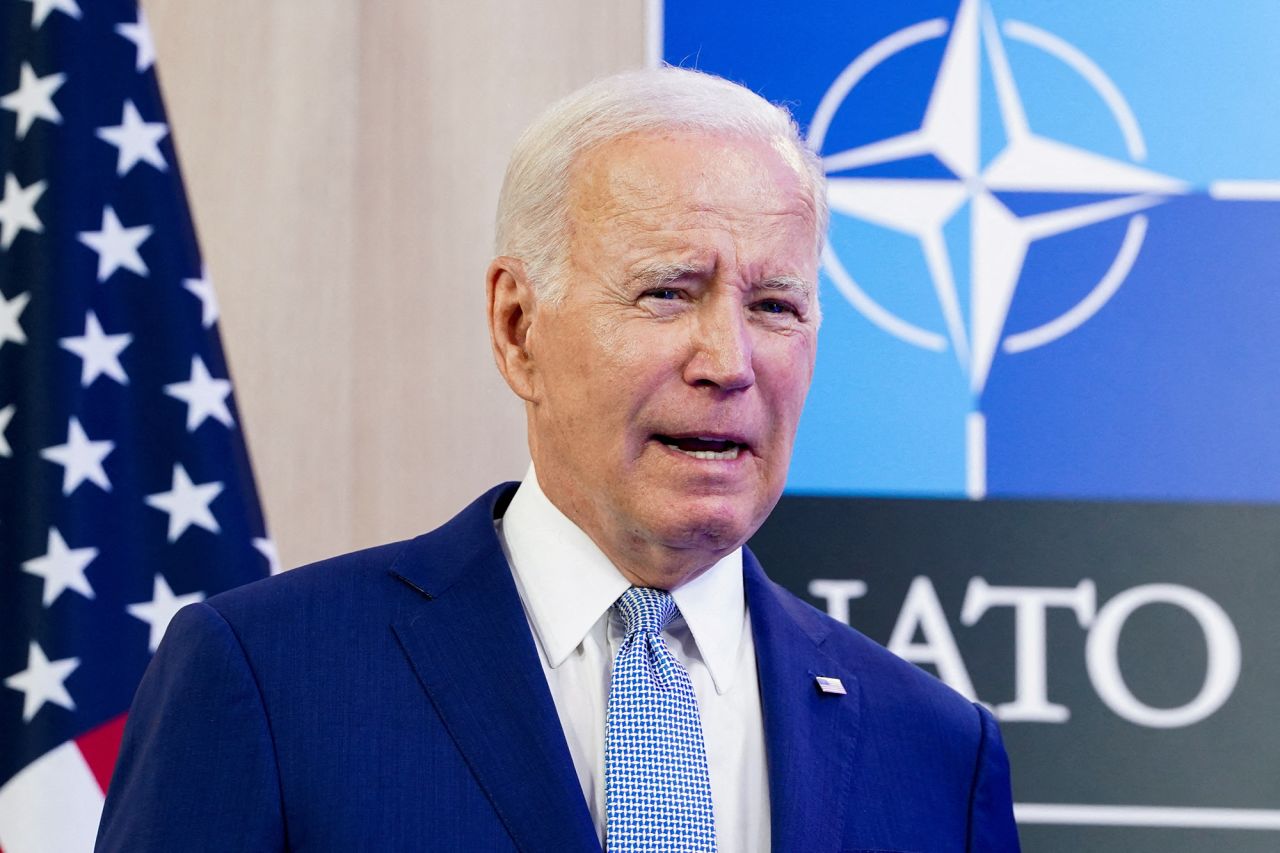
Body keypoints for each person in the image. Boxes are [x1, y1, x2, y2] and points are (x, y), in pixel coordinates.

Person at [96, 67, 1020, 852]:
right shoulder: (267, 677)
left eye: (776, 306)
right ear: (517, 327)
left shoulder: (935, 750)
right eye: (667, 292)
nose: (730, 362)